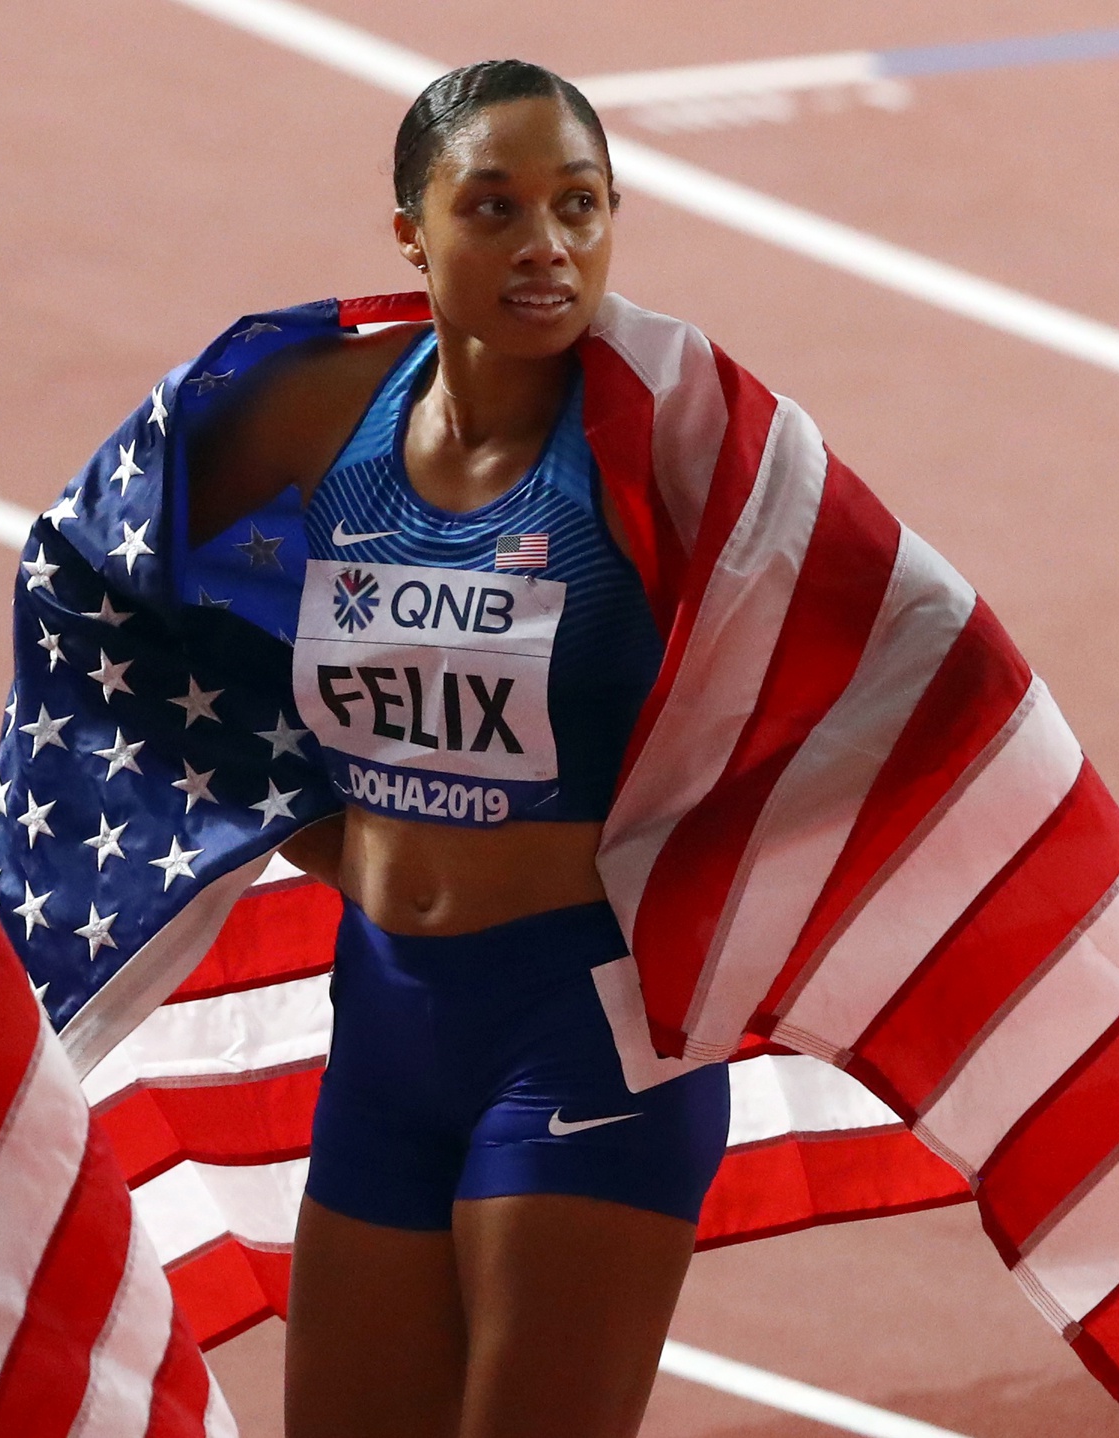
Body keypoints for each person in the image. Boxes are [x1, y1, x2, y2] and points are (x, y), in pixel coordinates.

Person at [186, 60, 722, 1438]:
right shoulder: (328, 430)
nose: (546, 245)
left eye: (579, 205)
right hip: (386, 1021)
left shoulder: (677, 445)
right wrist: (354, 847)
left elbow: (869, 658)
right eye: (494, 207)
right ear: (412, 232)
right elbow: (173, 637)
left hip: (583, 1032)